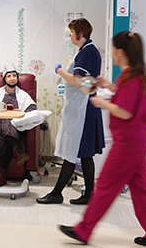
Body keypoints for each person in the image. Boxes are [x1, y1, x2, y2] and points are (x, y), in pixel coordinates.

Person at [58, 31, 146, 247]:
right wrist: (109, 86)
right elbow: (129, 99)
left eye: (112, 49)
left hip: (128, 143)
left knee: (106, 186)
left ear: (120, 51)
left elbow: (125, 112)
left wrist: (101, 102)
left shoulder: (131, 78)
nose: (111, 53)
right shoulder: (133, 76)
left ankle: (84, 230)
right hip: (135, 141)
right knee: (140, 189)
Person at [37, 18, 104, 205]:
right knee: (84, 154)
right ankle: (88, 194)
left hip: (82, 110)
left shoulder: (87, 52)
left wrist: (59, 71)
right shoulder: (89, 51)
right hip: (86, 107)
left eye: (72, 32)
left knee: (71, 152)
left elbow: (77, 80)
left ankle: (57, 194)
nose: (70, 35)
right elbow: (87, 82)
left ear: (81, 34)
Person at [0, 64, 36, 186]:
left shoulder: (22, 94)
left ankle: (1, 175)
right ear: (4, 79)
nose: (12, 78)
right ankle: (17, 151)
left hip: (12, 127)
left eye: (14, 75)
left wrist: (22, 112)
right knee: (3, 121)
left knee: (4, 135)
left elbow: (32, 108)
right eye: (9, 76)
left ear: (17, 78)